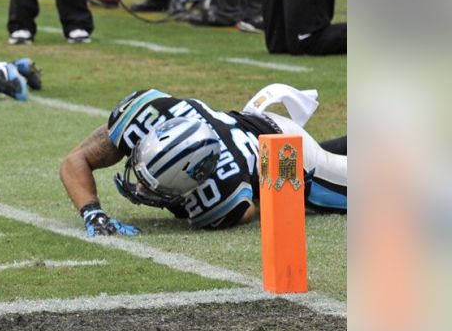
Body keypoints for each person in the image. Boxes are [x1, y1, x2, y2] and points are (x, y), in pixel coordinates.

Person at [59, 84, 347, 234]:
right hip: (250, 124)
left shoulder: (222, 195)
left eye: (155, 185)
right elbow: (75, 161)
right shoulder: (150, 115)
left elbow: (248, 209)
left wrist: (257, 185)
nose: (142, 188)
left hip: (290, 159)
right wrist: (93, 215)